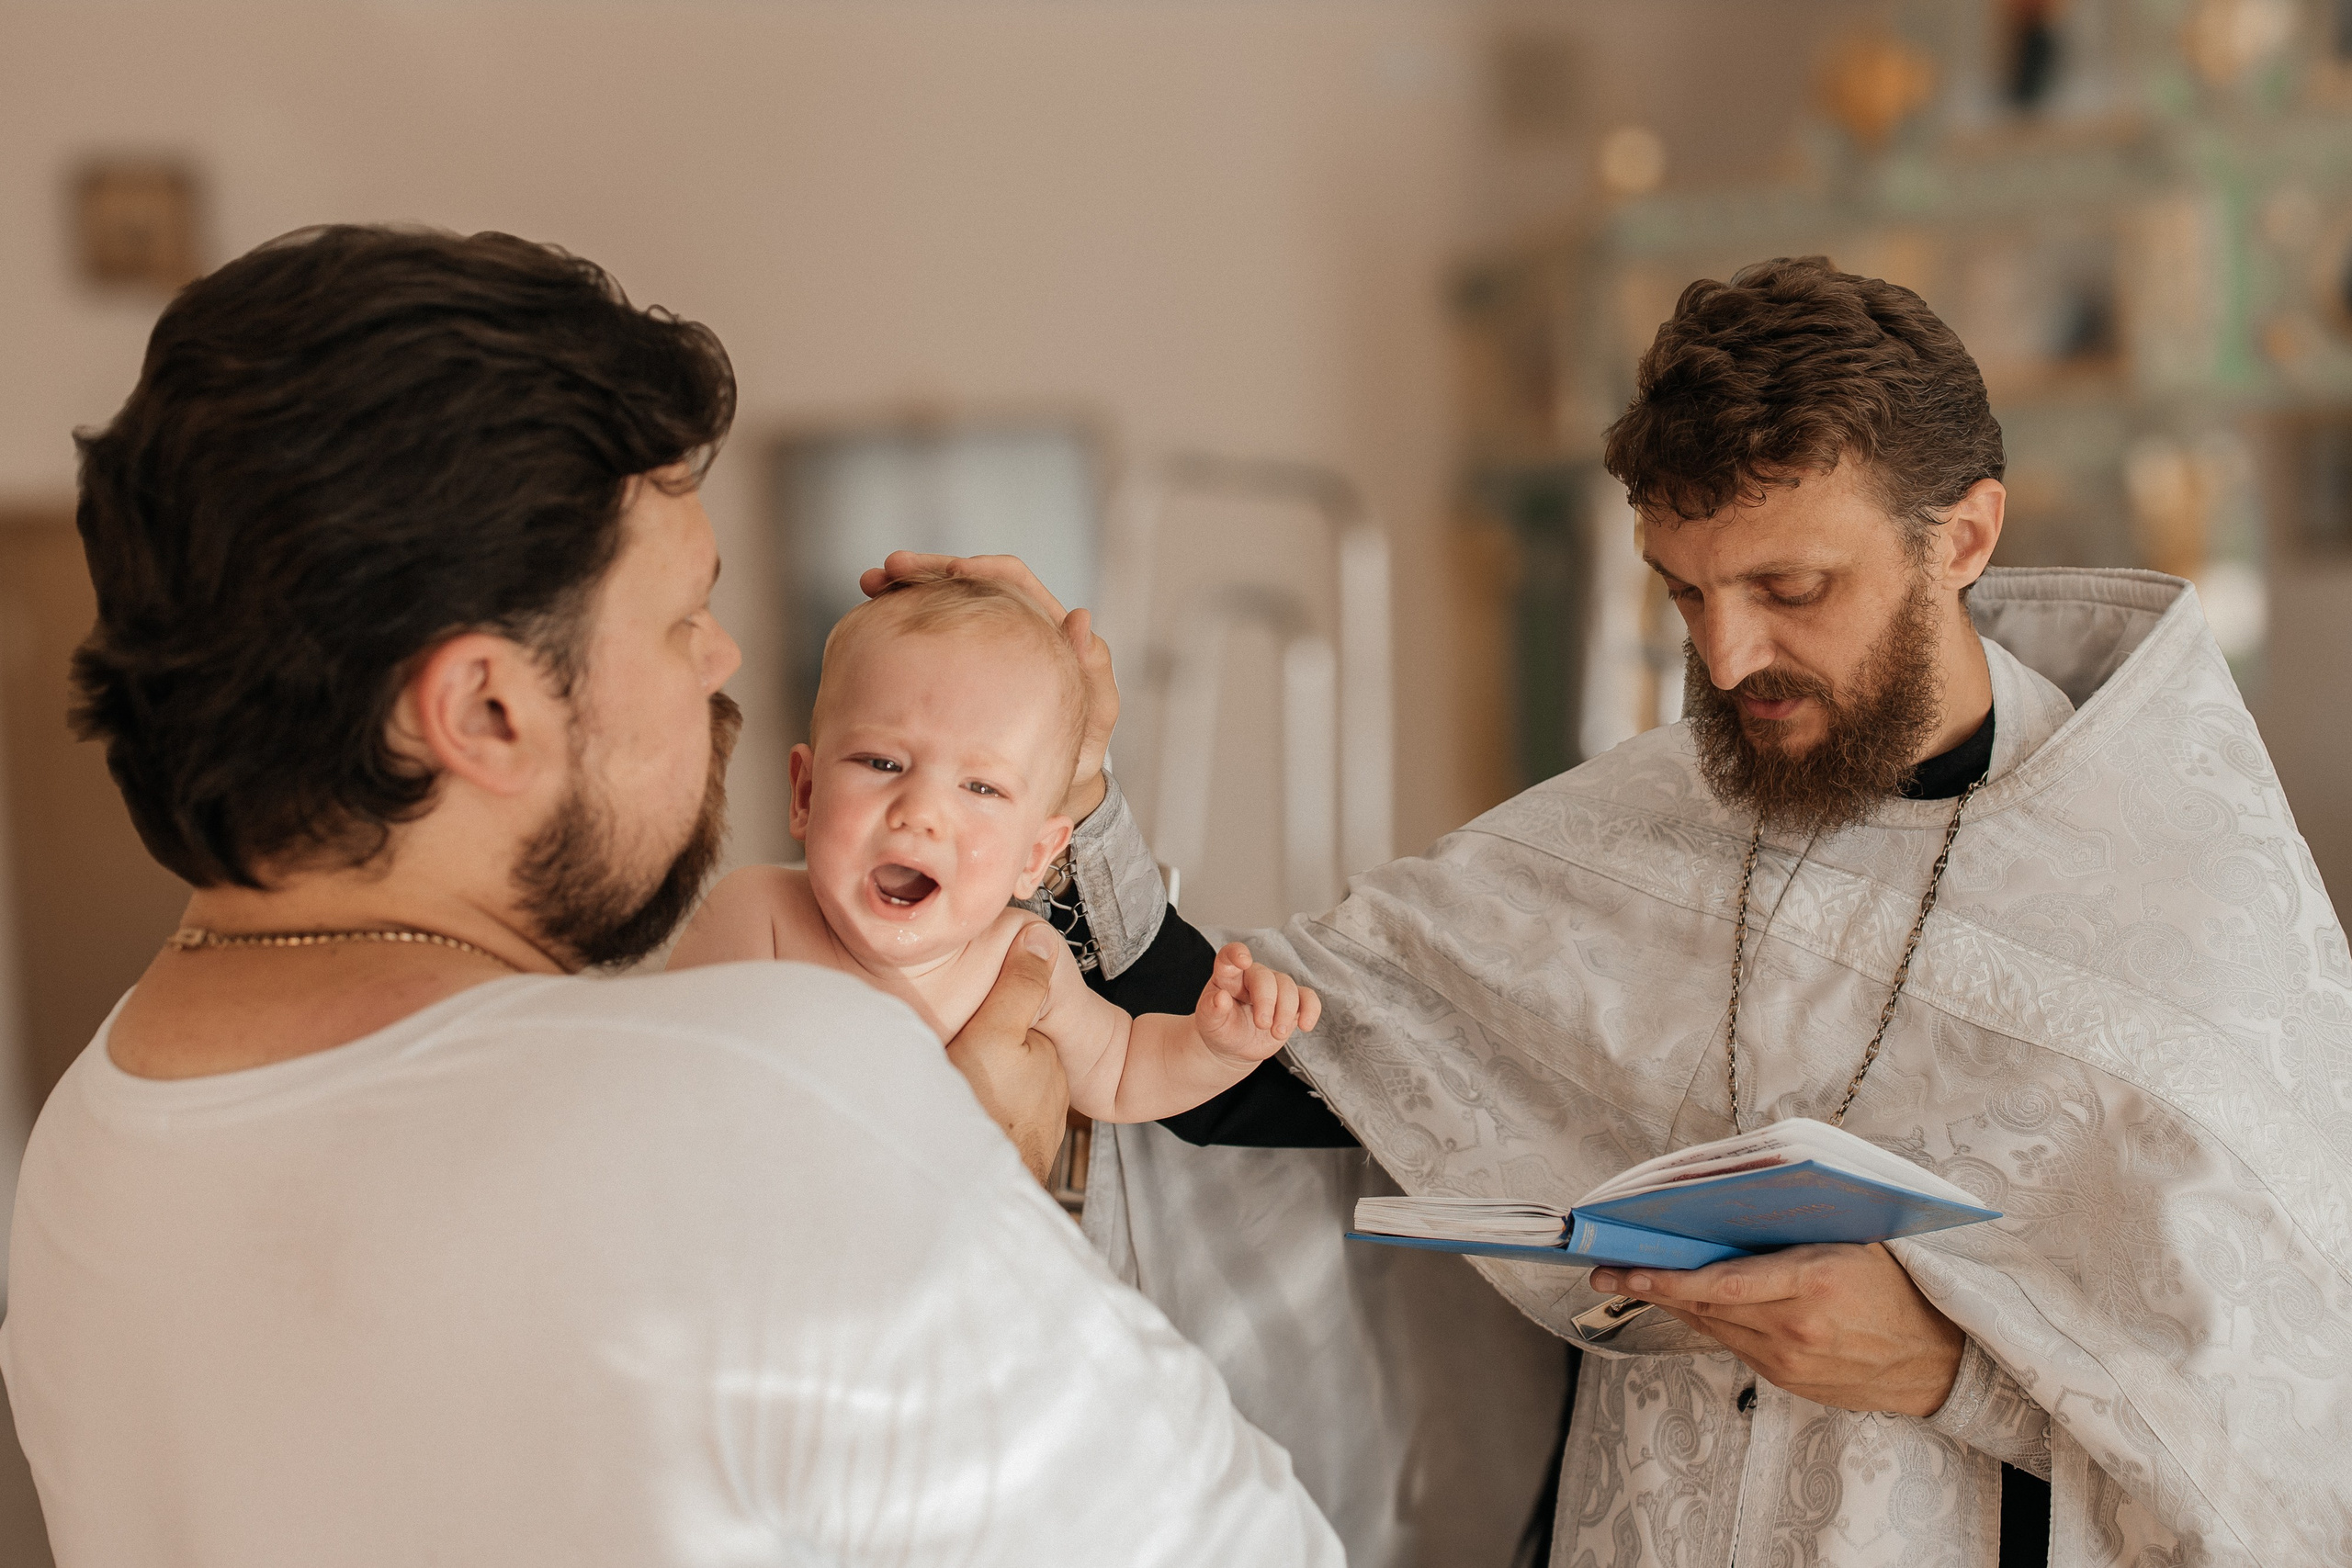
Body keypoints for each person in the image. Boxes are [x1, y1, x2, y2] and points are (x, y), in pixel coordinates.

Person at [876, 258, 2352, 1567]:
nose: (1728, 656)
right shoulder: (1645, 822)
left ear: (1962, 539)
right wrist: (1066, 788)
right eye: (1684, 592)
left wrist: (1951, 1368)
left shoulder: (2184, 905)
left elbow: (2295, 1438)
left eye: (1790, 585)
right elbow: (1281, 1067)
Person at [0, 223, 1341, 1567]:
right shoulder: (768, 1093)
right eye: (678, 616)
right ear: (484, 707)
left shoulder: (78, 1157)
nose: (724, 656)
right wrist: (989, 1176)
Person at [670, 571, 1321, 1120]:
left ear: (1037, 855)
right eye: (881, 763)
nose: (921, 812)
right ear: (806, 794)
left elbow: (1122, 1069)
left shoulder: (1021, 957)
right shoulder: (757, 919)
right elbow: (668, 1085)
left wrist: (1218, 1049)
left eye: (980, 786)